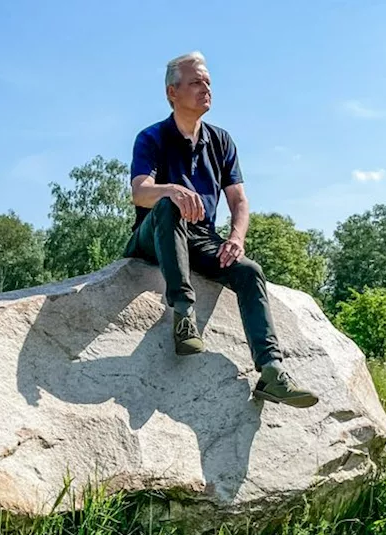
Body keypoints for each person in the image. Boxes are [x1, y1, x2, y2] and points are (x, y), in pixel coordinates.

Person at [123, 51, 318, 408]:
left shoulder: (222, 141)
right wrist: (171, 189)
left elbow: (239, 203)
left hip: (202, 238)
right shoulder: (151, 137)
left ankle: (271, 373)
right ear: (172, 92)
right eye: (197, 82)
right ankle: (183, 316)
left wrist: (235, 239)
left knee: (249, 271)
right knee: (168, 205)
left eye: (208, 82)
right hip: (154, 235)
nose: (206, 89)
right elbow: (140, 192)